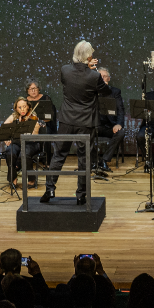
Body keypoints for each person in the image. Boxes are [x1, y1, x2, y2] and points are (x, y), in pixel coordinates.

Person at [43, 41, 112, 204]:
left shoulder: (65, 70)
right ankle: (81, 195)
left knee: (59, 154)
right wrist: (92, 69)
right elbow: (106, 91)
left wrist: (86, 66)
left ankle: (50, 189)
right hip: (86, 122)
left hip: (67, 120)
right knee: (84, 158)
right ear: (88, 57)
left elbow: (75, 76)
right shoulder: (94, 75)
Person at [0, 97, 42, 188]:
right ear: (16, 108)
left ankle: (31, 179)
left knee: (24, 153)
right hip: (17, 142)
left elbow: (34, 138)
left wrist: (36, 128)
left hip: (30, 143)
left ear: (28, 106)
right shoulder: (14, 117)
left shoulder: (33, 117)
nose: (22, 109)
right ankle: (13, 177)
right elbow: (3, 129)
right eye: (19, 107)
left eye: (24, 106)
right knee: (10, 152)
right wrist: (6, 138)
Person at [94, 68, 126, 173]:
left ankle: (104, 160)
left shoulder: (115, 92)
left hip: (110, 126)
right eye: (100, 77)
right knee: (84, 131)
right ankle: (93, 161)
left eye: (104, 76)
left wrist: (119, 124)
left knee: (121, 133)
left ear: (109, 78)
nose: (102, 78)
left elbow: (120, 110)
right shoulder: (92, 91)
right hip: (96, 125)